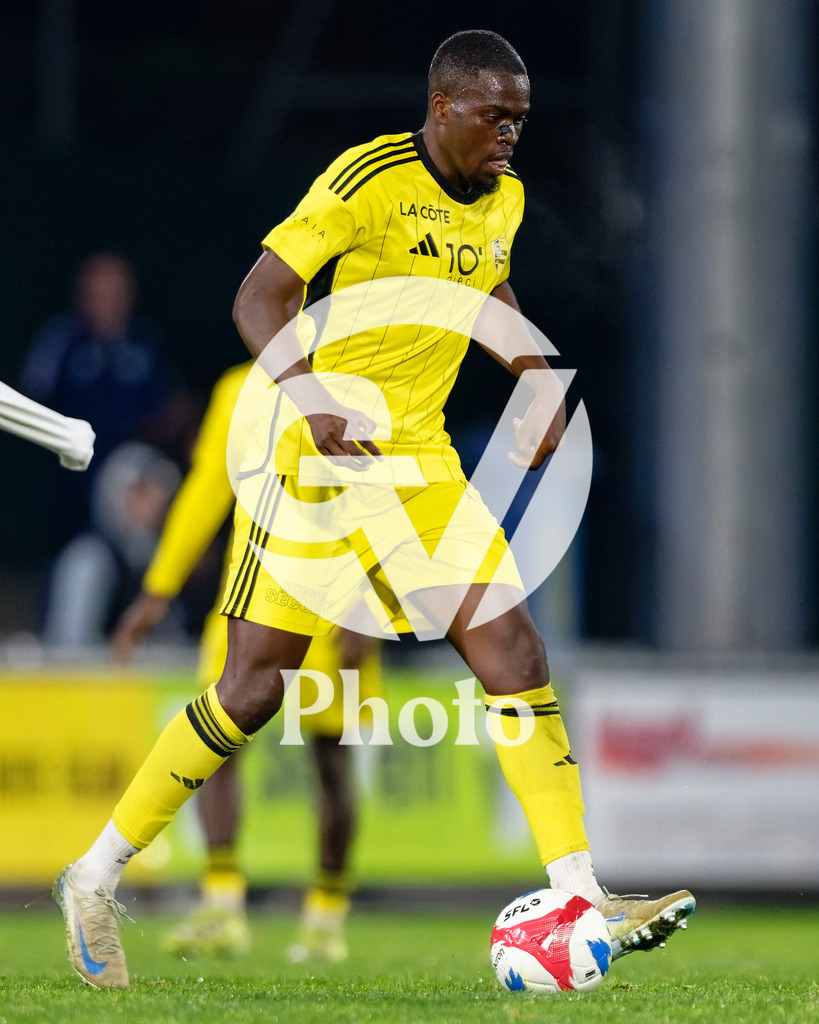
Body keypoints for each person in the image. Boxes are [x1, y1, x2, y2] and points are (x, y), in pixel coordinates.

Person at [54, 30, 695, 990]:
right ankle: (94, 876)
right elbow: (257, 299)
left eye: (520, 119)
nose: (511, 136)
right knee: (253, 690)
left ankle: (578, 890)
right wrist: (312, 404)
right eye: (495, 116)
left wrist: (537, 374)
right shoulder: (366, 179)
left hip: (419, 461)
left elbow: (484, 287)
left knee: (512, 651)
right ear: (443, 108)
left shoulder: (503, 199)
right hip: (312, 457)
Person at [111, 360, 383, 962]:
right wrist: (158, 589)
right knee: (217, 748)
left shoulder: (365, 379)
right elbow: (209, 486)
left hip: (337, 599)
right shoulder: (236, 389)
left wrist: (371, 599)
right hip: (250, 597)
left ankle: (325, 914)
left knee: (331, 765)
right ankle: (222, 904)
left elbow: (383, 495)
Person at [19, 251, 193, 546]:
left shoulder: (146, 343)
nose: (107, 303)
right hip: (76, 479)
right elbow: (27, 408)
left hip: (139, 473)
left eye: (117, 293)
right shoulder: (61, 342)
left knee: (156, 488)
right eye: (98, 294)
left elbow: (174, 407)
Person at [41, 441, 182, 647]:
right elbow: (70, 655)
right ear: (114, 494)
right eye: (141, 494)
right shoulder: (89, 561)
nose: (154, 508)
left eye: (159, 497)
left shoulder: (160, 562)